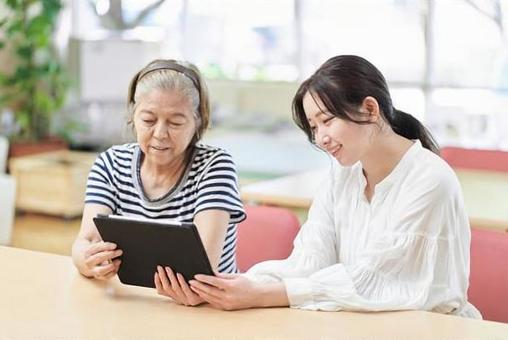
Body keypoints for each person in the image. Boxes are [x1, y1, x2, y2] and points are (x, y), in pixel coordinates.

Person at [187, 55, 481, 318]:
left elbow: (374, 278)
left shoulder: (430, 179)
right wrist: (235, 285)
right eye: (314, 128)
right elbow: (308, 261)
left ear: (369, 109)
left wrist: (262, 295)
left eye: (327, 121)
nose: (320, 138)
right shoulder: (341, 177)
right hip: (355, 324)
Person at [72, 59, 246, 306]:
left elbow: (203, 271)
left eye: (175, 123)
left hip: (210, 311)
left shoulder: (215, 166)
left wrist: (197, 291)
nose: (160, 133)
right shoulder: (110, 163)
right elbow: (84, 242)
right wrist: (86, 261)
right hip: (134, 305)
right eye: (148, 120)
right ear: (133, 115)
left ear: (197, 121)